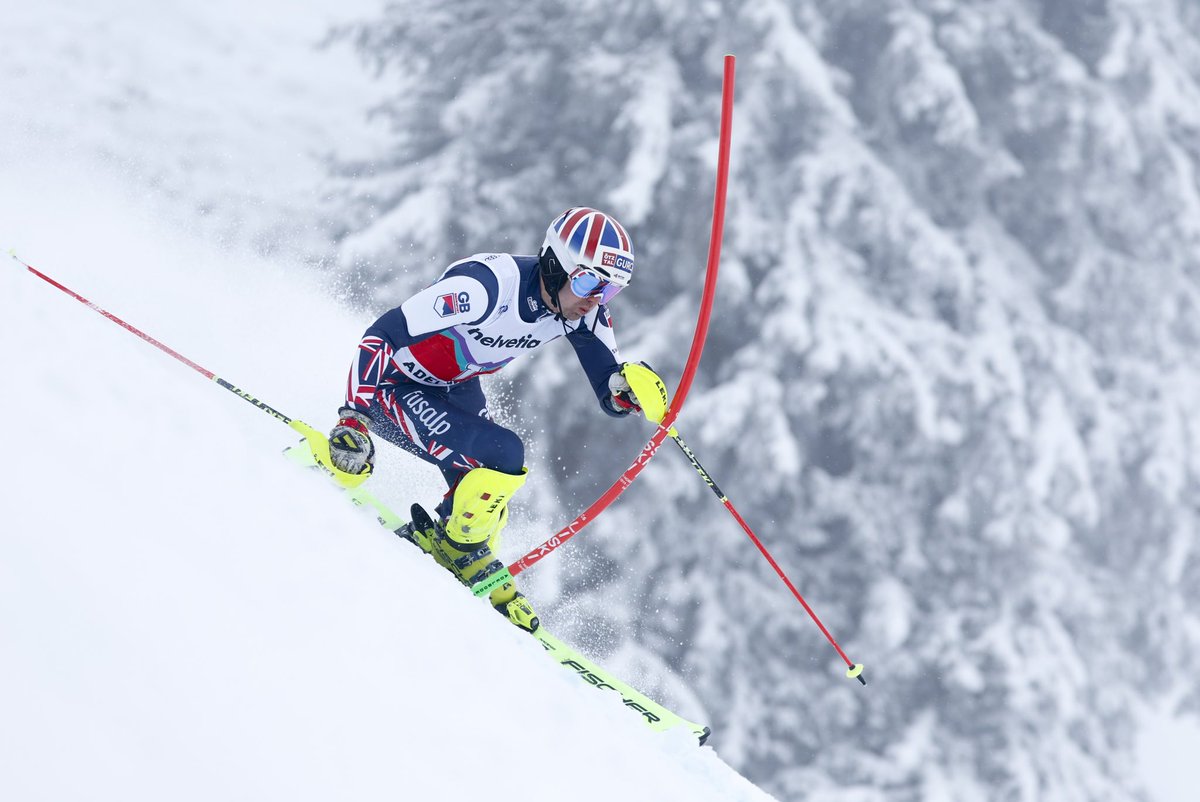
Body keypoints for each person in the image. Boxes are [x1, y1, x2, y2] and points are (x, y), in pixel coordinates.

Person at [324, 207, 662, 633]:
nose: (595, 299)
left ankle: (455, 545)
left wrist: (628, 392)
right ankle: (455, 548)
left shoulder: (580, 309)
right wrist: (354, 418)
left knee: (487, 501)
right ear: (555, 265)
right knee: (504, 453)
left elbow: (608, 389)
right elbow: (382, 336)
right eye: (589, 281)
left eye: (609, 291)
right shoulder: (483, 288)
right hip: (393, 387)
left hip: (451, 388)